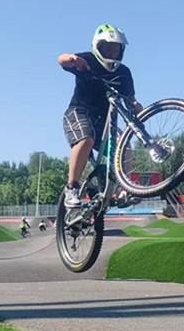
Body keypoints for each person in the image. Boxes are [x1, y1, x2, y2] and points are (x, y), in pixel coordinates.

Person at [58, 24, 143, 210]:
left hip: (105, 123)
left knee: (125, 147)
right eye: (108, 48)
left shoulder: (124, 73)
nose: (112, 52)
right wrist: (72, 59)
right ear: (98, 47)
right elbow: (61, 60)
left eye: (116, 49)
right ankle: (72, 187)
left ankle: (124, 190)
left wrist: (136, 106)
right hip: (79, 113)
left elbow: (130, 99)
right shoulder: (87, 60)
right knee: (86, 138)